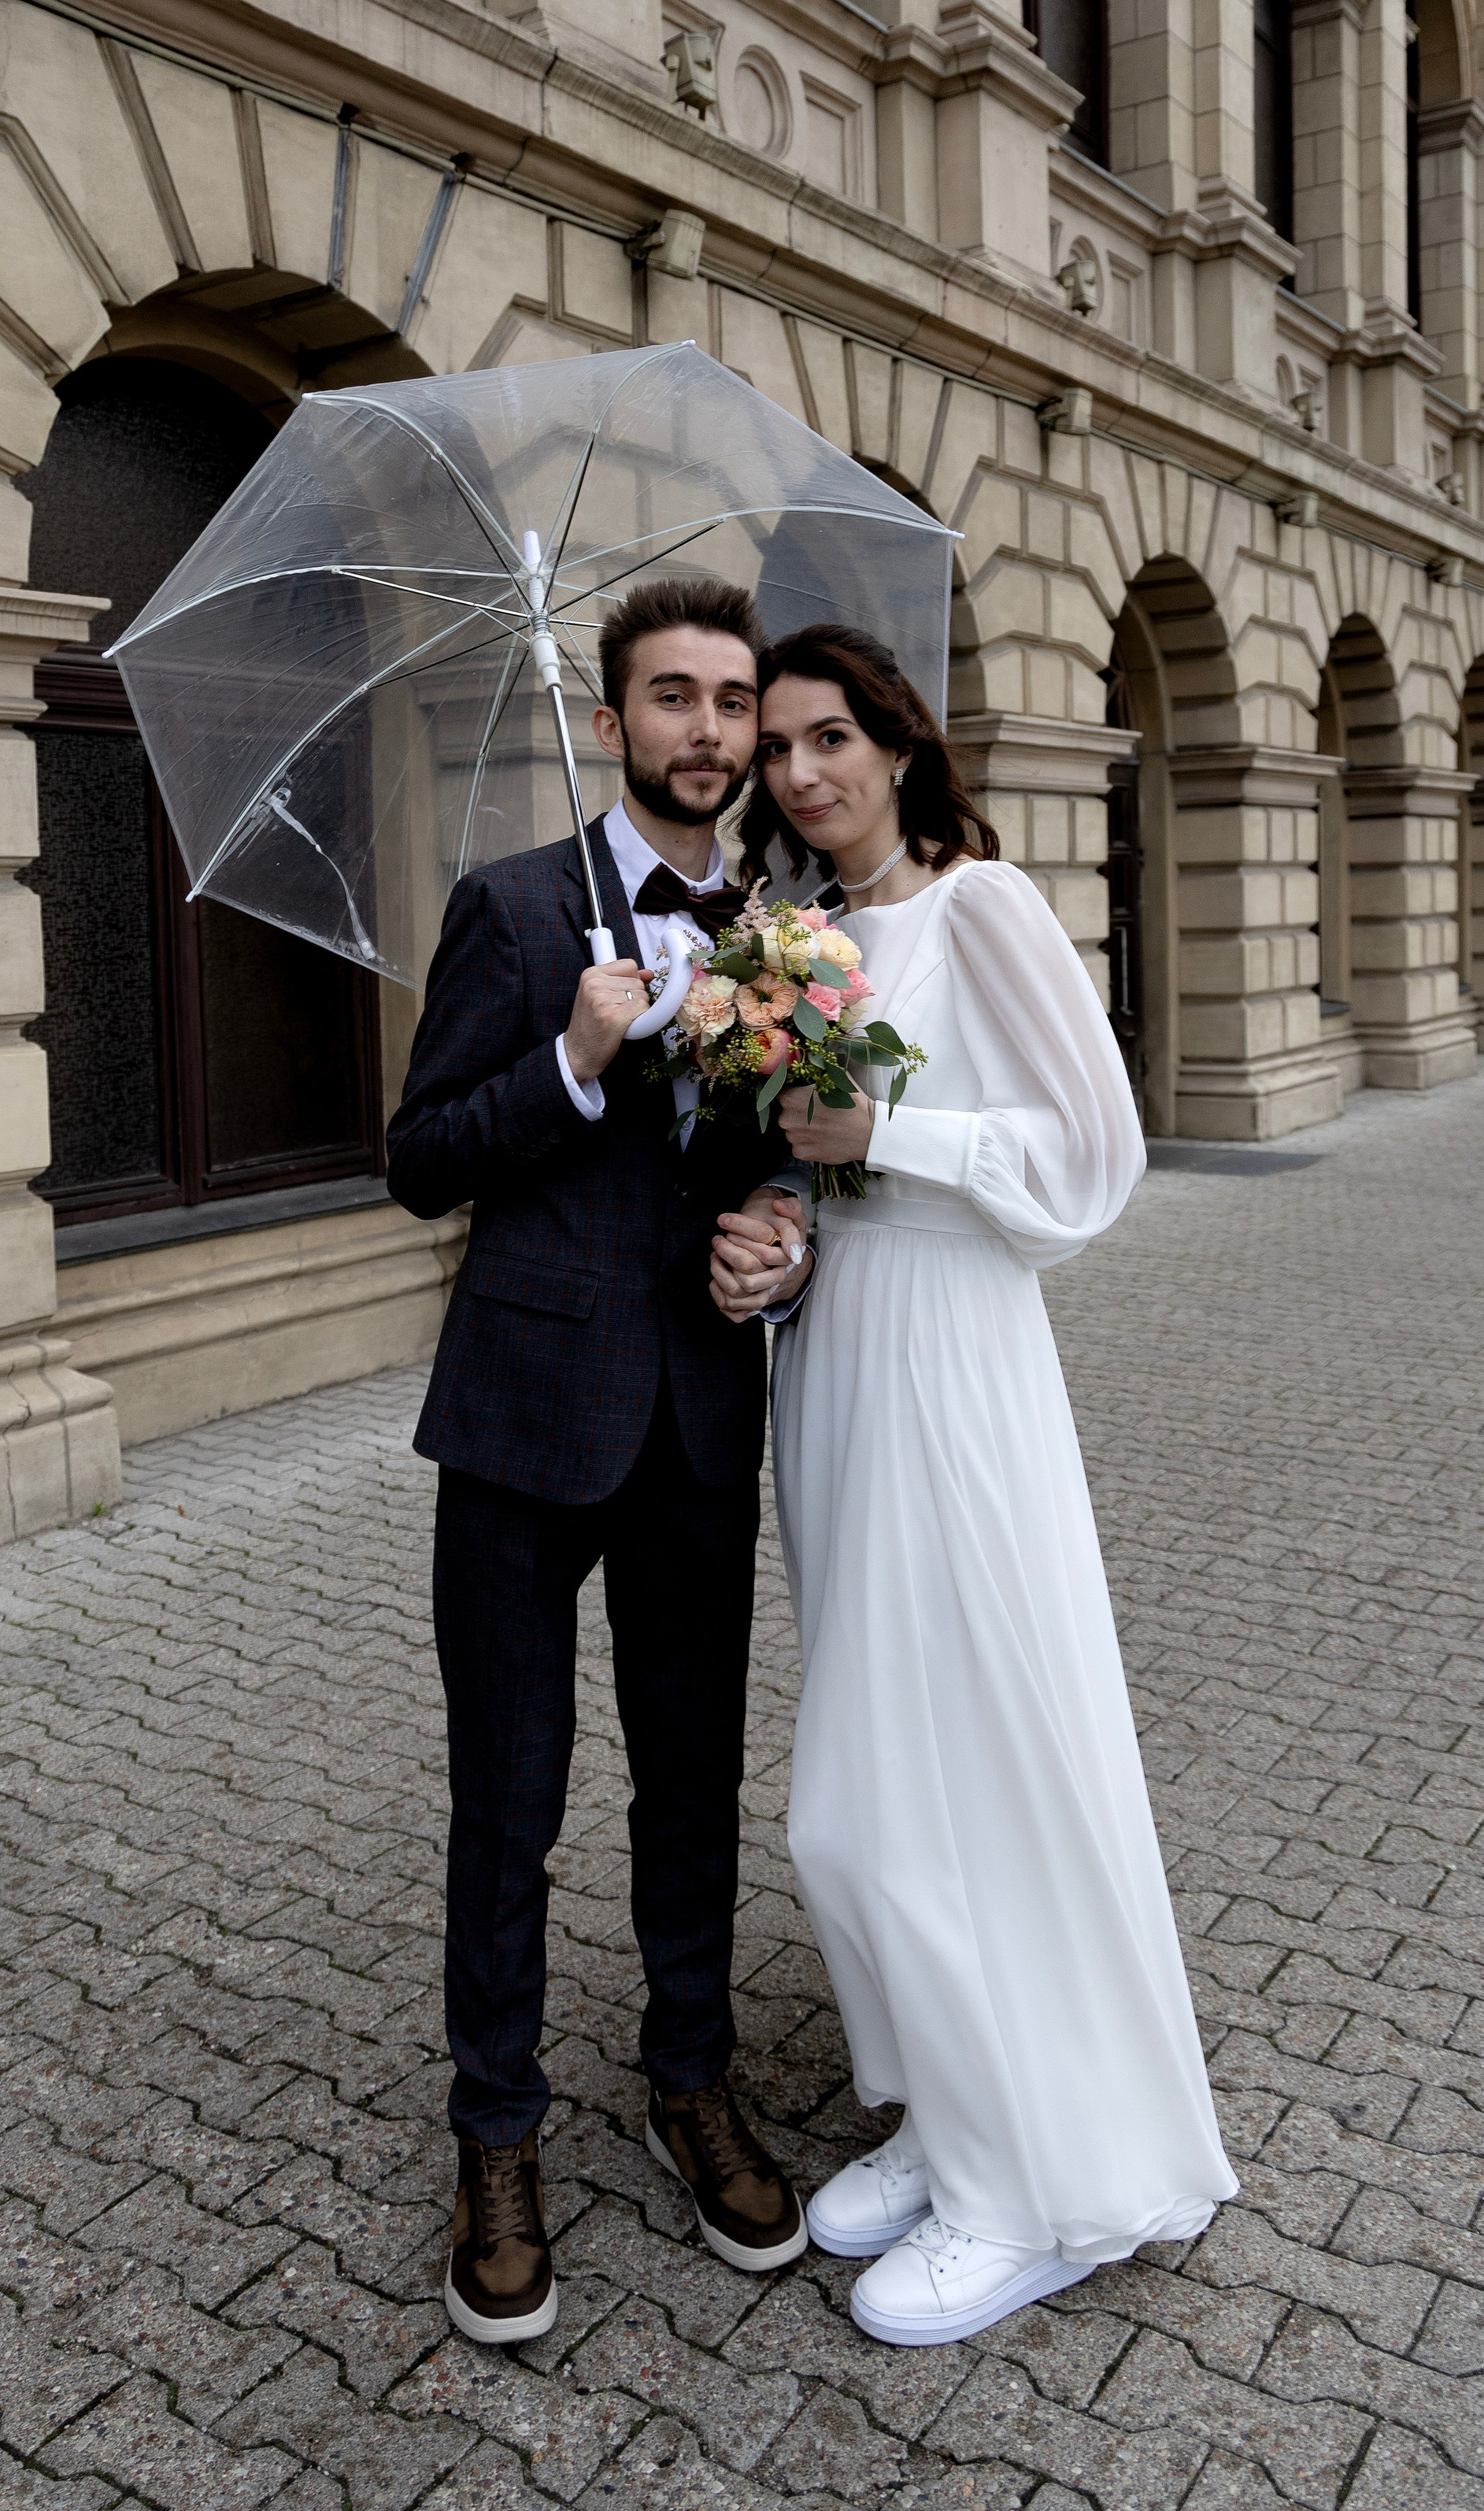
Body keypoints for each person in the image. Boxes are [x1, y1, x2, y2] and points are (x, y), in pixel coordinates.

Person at [717, 621, 1238, 2350]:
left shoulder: (980, 906)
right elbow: (819, 1180)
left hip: (956, 1360)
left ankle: (1034, 2192)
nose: (800, 770)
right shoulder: (803, 938)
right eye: (778, 746)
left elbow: (1096, 1156)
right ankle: (952, 2114)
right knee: (883, 1781)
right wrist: (785, 1231)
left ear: (896, 740)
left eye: (829, 736)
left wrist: (893, 1137)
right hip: (840, 1363)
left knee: (931, 1774)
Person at [387, 574, 812, 2349]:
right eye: (672, 697)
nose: (707, 730)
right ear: (612, 714)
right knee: (511, 1794)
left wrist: (785, 1230)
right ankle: (495, 2135)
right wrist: (568, 1059)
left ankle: (689, 2077)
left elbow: (792, 1157)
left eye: (732, 701)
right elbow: (418, 1157)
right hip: (519, 1419)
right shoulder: (511, 907)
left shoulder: (787, 933)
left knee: (690, 1780)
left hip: (700, 1417)